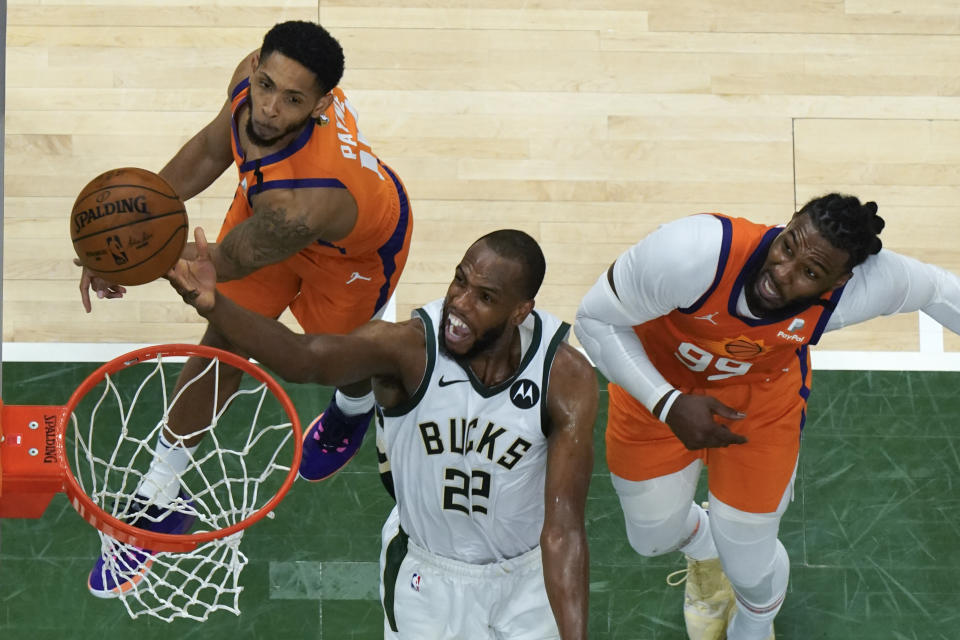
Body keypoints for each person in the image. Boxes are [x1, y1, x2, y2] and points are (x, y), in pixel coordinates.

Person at [79, 20, 413, 597]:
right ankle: (162, 489)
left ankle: (352, 410)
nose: (268, 107)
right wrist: (130, 224)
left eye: (292, 99)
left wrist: (126, 256)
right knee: (224, 339)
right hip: (267, 218)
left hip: (353, 253)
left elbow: (225, 263)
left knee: (341, 358)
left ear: (320, 104)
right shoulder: (247, 86)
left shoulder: (308, 203)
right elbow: (212, 147)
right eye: (265, 84)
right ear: (257, 66)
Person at [166, 227, 597, 638]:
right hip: (428, 577)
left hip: (527, 577)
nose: (460, 304)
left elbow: (563, 529)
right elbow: (305, 358)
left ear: (521, 310)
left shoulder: (565, 377)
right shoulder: (408, 348)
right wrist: (213, 304)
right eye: (459, 281)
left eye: (485, 298)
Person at [574, 193, 960, 640]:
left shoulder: (863, 289)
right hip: (654, 388)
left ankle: (753, 624)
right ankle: (705, 552)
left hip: (759, 406)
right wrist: (668, 403)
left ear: (838, 282)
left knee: (749, 559)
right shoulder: (694, 252)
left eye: (810, 273)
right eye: (788, 246)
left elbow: (938, 290)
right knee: (651, 539)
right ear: (788, 223)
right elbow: (593, 320)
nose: (781, 274)